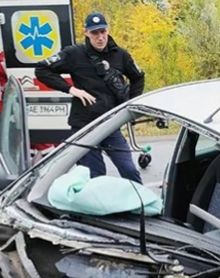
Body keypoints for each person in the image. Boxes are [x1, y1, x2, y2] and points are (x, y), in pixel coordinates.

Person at [35, 12, 145, 182]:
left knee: (129, 169)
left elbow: (138, 77)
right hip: (83, 126)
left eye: (103, 31)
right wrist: (71, 89)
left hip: (110, 124)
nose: (100, 37)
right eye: (95, 33)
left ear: (108, 30)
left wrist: (131, 105)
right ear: (86, 32)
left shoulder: (120, 55)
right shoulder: (74, 54)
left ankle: (141, 206)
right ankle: (98, 207)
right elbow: (42, 70)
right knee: (95, 174)